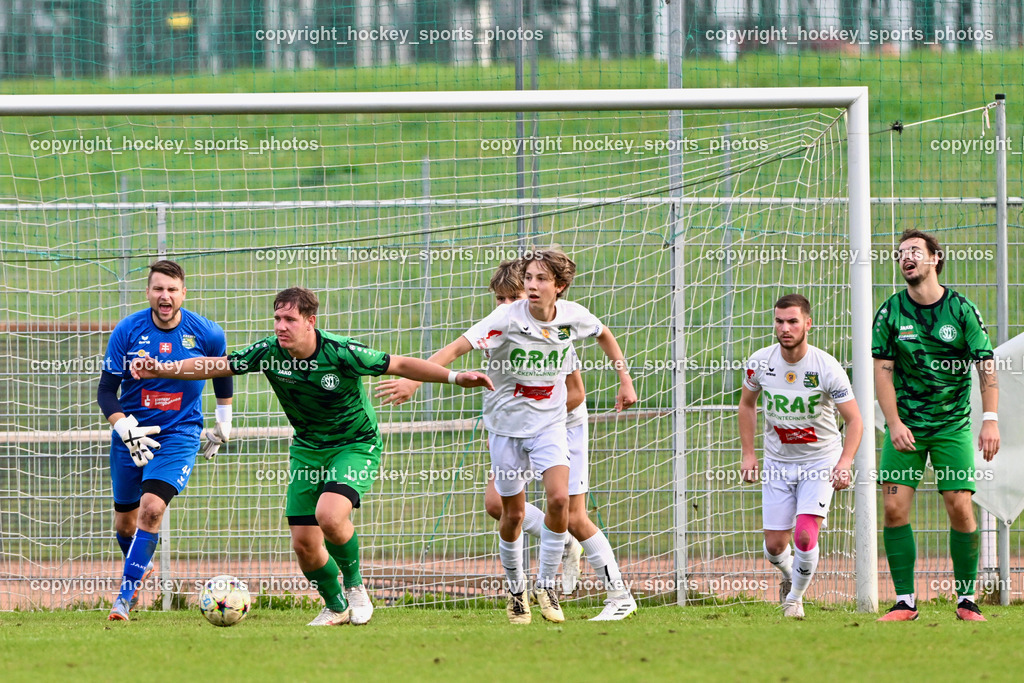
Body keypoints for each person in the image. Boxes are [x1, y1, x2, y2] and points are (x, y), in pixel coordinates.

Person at [131, 286, 492, 626]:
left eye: (289, 320)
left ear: (310, 321)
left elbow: (399, 365)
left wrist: (456, 377)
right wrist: (162, 369)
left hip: (354, 444)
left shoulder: (341, 352)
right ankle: (336, 607)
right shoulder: (269, 352)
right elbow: (215, 365)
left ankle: (355, 590)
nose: (281, 327)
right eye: (277, 319)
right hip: (307, 450)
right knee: (304, 544)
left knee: (330, 515)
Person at [377, 259, 638, 621]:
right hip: (516, 425)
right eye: (499, 298)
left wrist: (544, 423)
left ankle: (618, 594)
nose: (506, 305)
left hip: (563, 422)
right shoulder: (500, 326)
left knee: (570, 511)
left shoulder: (558, 328)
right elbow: (456, 350)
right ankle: (552, 549)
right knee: (499, 505)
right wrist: (417, 380)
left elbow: (575, 393)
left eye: (511, 296)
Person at [872, 229, 999, 622]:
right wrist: (893, 423)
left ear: (935, 259)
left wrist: (990, 420)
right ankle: (905, 602)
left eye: (914, 251)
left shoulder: (961, 309)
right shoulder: (890, 312)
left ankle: (966, 600)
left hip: (952, 425)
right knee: (893, 507)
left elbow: (986, 365)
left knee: (960, 505)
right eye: (900, 253)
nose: (906, 257)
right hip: (906, 426)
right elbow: (882, 373)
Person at [98, 260, 233, 621]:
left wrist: (223, 423)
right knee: (125, 524)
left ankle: (123, 599)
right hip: (132, 435)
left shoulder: (207, 334)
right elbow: (106, 392)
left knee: (152, 509)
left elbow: (222, 372)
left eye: (172, 289)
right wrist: (122, 425)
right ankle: (141, 564)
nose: (165, 296)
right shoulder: (127, 332)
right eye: (158, 289)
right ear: (148, 292)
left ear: (183, 293)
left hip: (179, 433)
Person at [739, 293, 863, 619]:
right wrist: (749, 454)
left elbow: (855, 420)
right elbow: (747, 405)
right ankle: (790, 575)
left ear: (808, 323)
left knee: (805, 534)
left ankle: (793, 599)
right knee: (775, 547)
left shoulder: (826, 367)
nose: (785, 328)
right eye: (779, 321)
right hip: (778, 463)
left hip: (819, 461)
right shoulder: (759, 363)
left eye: (793, 321)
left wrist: (845, 462)